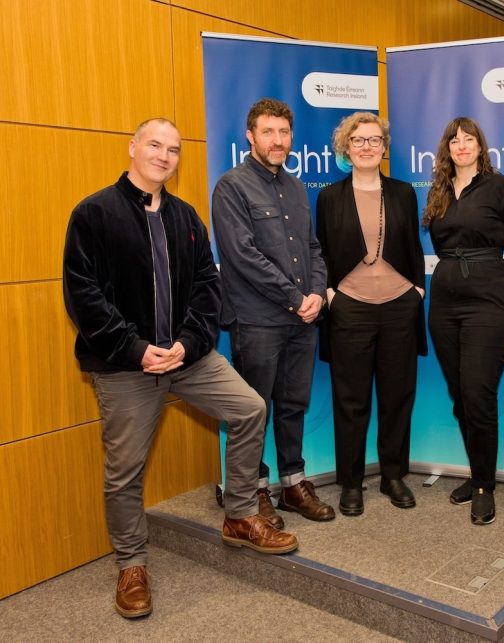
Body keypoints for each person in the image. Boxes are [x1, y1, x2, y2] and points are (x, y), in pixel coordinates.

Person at [63, 118, 298, 620]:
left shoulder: (186, 217)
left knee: (250, 408)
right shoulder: (94, 214)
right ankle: (131, 565)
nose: (164, 156)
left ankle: (239, 515)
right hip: (125, 363)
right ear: (133, 148)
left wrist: (188, 344)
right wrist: (136, 349)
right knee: (125, 471)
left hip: (186, 357)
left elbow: (207, 289)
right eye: (155, 145)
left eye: (173, 149)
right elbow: (84, 296)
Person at [212, 98, 335, 526]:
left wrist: (316, 293)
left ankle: (293, 485)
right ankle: (253, 491)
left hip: (302, 318)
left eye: (283, 133)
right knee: (254, 408)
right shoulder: (232, 186)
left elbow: (314, 249)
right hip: (258, 319)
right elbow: (242, 256)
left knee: (292, 404)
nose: (277, 141)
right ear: (250, 136)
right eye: (268, 132)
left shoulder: (298, 188)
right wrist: (294, 297)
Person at [424, 117, 504, 525]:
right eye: (454, 140)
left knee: (478, 393)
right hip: (444, 299)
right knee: (460, 395)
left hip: (488, 300)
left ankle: (486, 486)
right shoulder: (438, 191)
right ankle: (477, 474)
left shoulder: (501, 187)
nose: (461, 145)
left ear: (480, 145)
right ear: (446, 148)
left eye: (468, 139)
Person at [316, 112, 426, 516]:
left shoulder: (403, 192)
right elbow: (323, 251)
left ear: (384, 147)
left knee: (397, 397)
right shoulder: (329, 196)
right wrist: (330, 293)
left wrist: (417, 290)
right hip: (350, 307)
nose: (366, 146)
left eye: (374, 140)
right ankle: (351, 482)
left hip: (399, 305)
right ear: (347, 147)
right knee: (351, 399)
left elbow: (413, 245)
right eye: (358, 140)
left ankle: (393, 476)